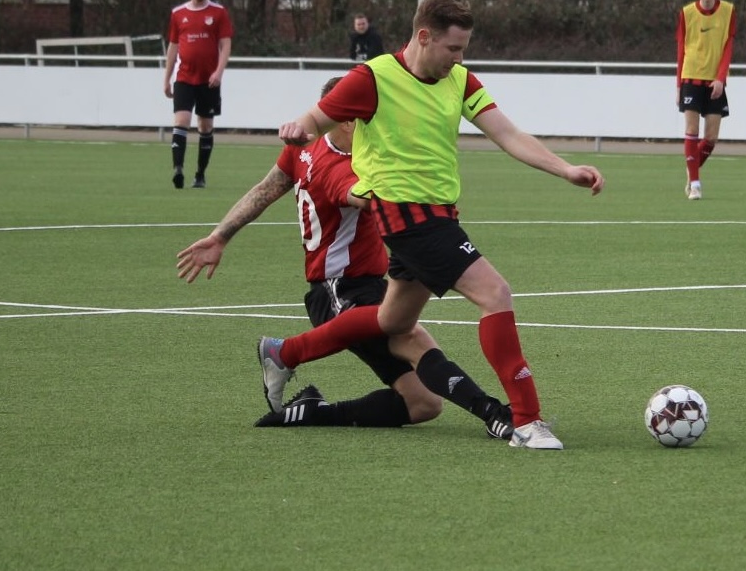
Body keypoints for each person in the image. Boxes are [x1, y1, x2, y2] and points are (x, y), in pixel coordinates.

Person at [262, 0, 605, 451]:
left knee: (392, 322)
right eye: (453, 49)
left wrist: (565, 169)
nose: (459, 59)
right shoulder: (373, 78)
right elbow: (314, 118)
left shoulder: (458, 80)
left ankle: (284, 353)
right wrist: (298, 128)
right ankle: (526, 419)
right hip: (406, 216)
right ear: (424, 37)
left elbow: (507, 133)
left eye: (463, 49)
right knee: (495, 293)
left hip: (439, 214)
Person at [176, 76, 513, 438]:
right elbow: (364, 197)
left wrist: (219, 236)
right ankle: (493, 413)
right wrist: (427, 204)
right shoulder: (342, 167)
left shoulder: (304, 149)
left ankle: (313, 413)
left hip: (366, 285)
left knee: (423, 404)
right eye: (370, 119)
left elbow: (266, 188)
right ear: (348, 119)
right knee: (412, 337)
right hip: (338, 289)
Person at [163, 0, 234, 190]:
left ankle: (200, 174)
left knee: (205, 126)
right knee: (181, 121)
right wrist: (166, 78)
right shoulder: (178, 14)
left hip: (208, 81)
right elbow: (173, 47)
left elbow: (225, 45)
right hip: (184, 78)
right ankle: (178, 170)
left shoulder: (218, 13)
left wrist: (218, 72)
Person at [676, 0, 736, 201]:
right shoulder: (687, 13)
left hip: (715, 82)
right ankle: (696, 185)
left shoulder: (729, 12)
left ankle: (691, 170)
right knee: (691, 131)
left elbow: (728, 47)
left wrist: (721, 78)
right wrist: (678, 85)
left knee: (710, 139)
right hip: (691, 77)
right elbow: (680, 50)